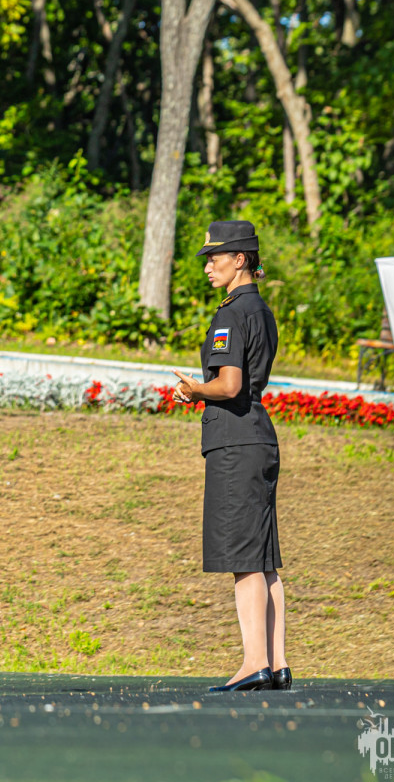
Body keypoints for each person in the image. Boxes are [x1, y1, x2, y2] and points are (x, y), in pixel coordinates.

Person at [171, 220, 289, 693]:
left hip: (236, 441)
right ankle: (277, 664)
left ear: (240, 259)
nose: (208, 266)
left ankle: (253, 663)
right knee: (264, 559)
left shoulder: (230, 314)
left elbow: (230, 385)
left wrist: (194, 388)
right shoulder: (261, 310)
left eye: (215, 257)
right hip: (258, 437)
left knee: (244, 558)